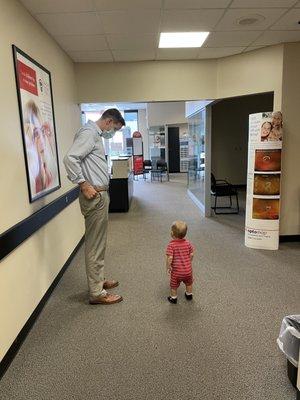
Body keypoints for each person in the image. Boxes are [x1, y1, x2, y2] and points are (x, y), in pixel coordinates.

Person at [64, 109, 125, 305]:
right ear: (108, 121)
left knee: (99, 243)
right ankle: (97, 293)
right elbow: (70, 158)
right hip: (95, 196)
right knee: (95, 245)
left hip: (99, 194)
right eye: (114, 128)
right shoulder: (89, 133)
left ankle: (98, 281)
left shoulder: (94, 134)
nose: (112, 133)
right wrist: (83, 183)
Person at [165, 221, 194, 304]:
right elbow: (192, 254)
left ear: (172, 234)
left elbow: (170, 258)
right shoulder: (188, 243)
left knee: (173, 285)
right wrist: (189, 261)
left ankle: (173, 298)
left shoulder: (171, 245)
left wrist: (168, 267)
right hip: (188, 270)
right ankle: (189, 295)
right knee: (189, 283)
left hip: (177, 272)